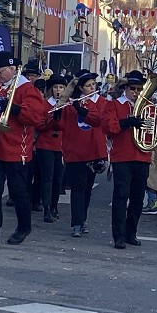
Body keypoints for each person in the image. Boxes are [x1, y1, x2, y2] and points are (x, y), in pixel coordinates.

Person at [0, 52, 50, 249]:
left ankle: (23, 227)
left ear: (12, 69)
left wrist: (15, 109)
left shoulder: (26, 89)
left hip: (17, 149)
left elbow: (37, 117)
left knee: (18, 193)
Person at [105, 70, 157, 249]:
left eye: (139, 88)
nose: (136, 92)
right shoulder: (115, 105)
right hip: (122, 157)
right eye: (133, 88)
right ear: (125, 88)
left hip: (142, 156)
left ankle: (131, 233)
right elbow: (109, 128)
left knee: (138, 198)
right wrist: (127, 122)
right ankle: (119, 236)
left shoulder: (150, 107)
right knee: (121, 196)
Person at [49, 71, 106, 237]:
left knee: (87, 189)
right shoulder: (70, 104)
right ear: (81, 88)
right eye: (88, 86)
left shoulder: (101, 102)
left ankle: (83, 220)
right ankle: (76, 223)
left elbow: (97, 120)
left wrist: (80, 109)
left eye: (93, 85)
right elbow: (59, 125)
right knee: (77, 189)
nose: (91, 88)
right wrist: (59, 110)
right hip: (75, 152)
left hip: (94, 151)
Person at [36, 76, 67, 222]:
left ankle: (54, 206)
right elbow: (39, 125)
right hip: (45, 144)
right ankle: (47, 208)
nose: (58, 90)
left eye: (61, 87)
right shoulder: (44, 105)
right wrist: (52, 119)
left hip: (61, 146)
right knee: (47, 178)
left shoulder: (67, 105)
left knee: (58, 179)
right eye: (55, 87)